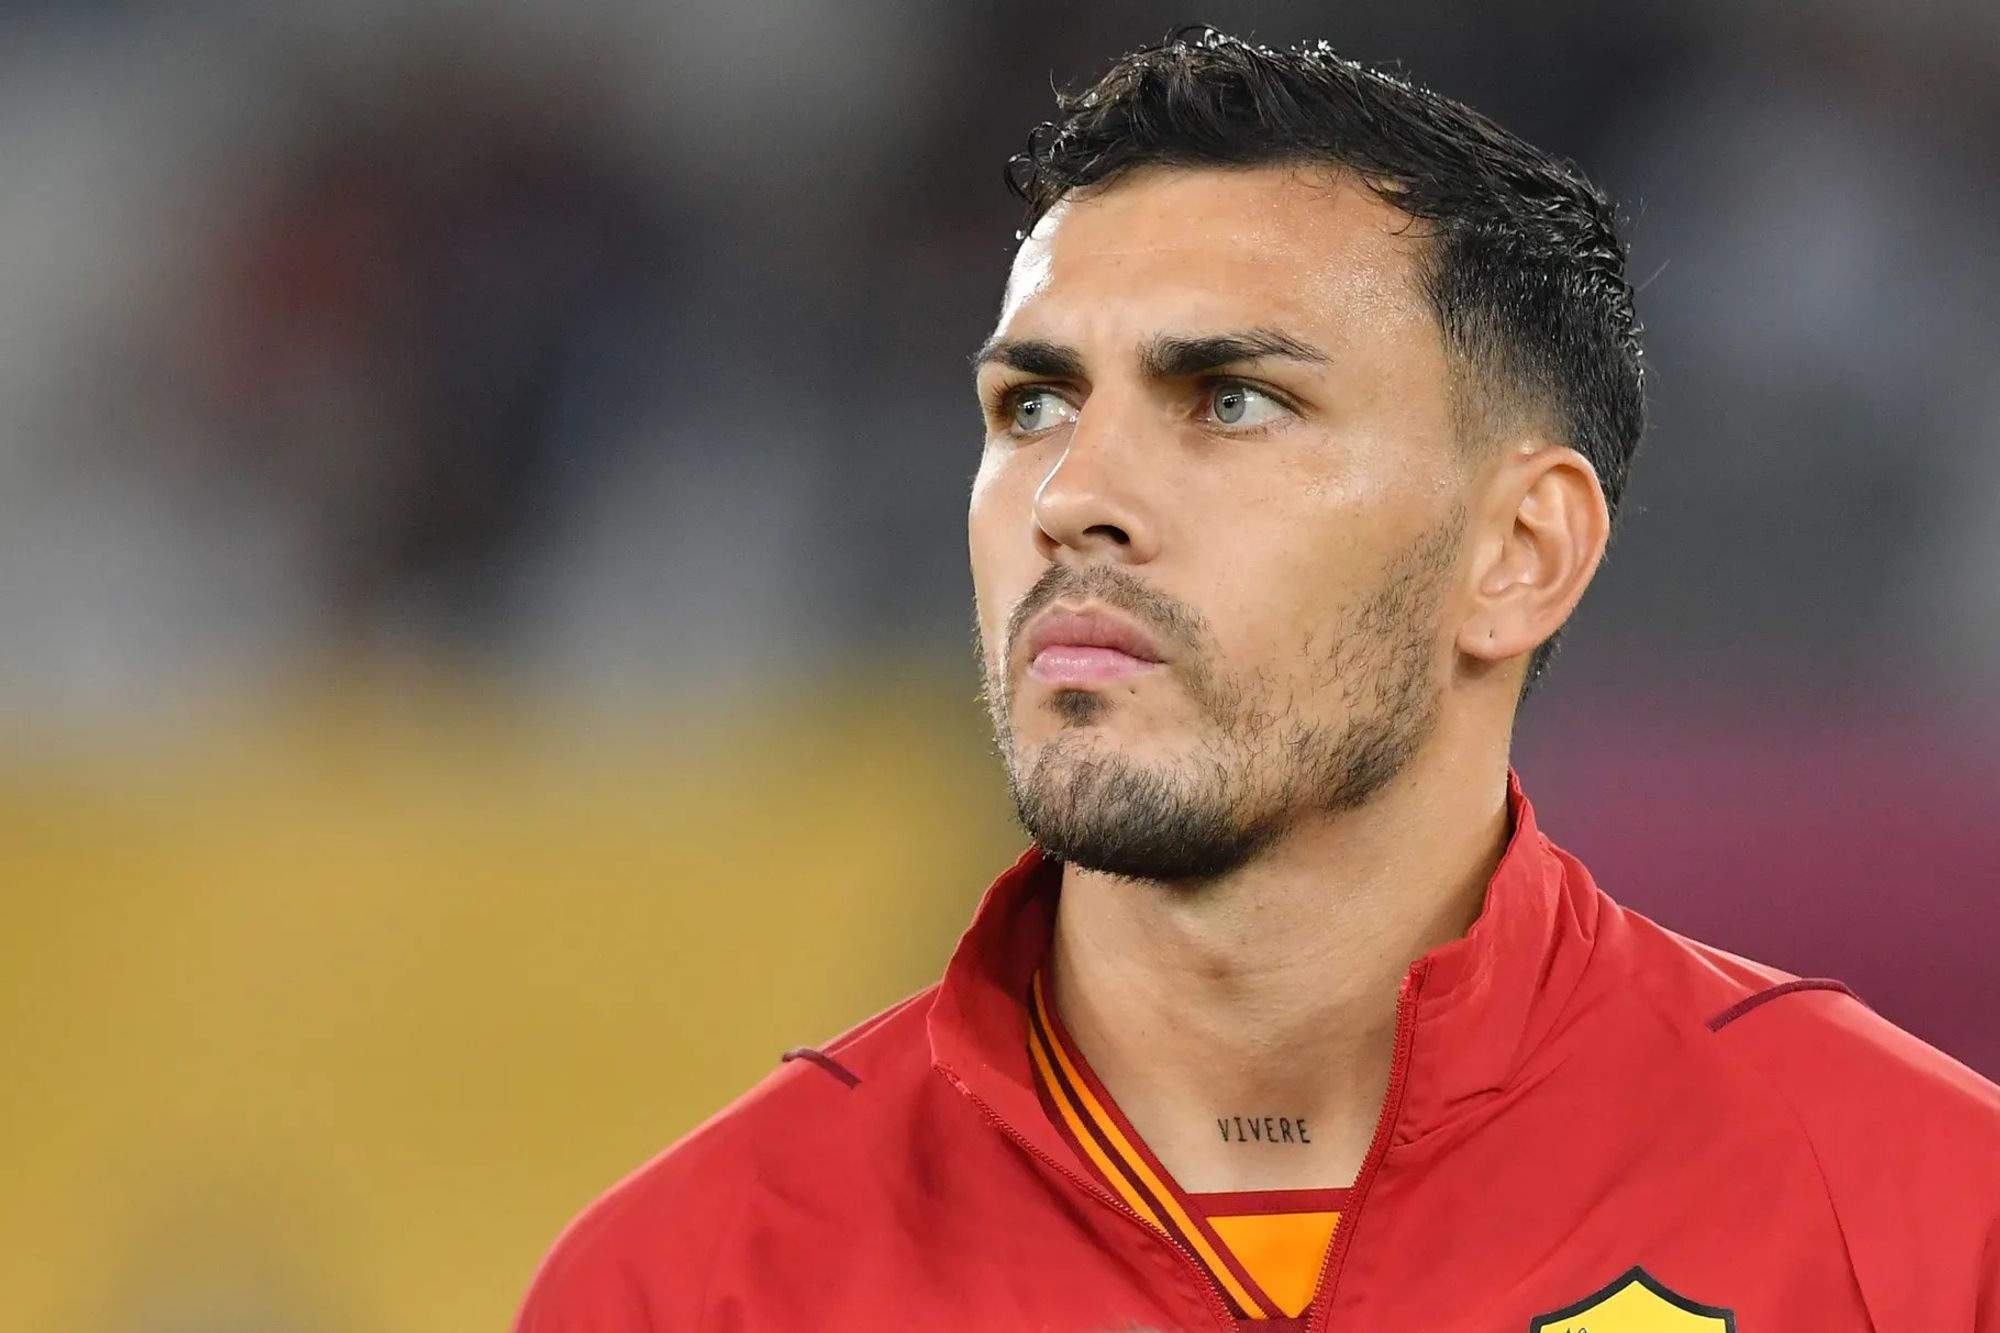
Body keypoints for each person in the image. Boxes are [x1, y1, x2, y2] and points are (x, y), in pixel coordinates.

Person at [514, 28, 2000, 1331]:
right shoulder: (689, 1284)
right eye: (1032, 402)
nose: (1073, 494)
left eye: (1232, 398)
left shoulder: (1921, 1229)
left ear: (1521, 553)